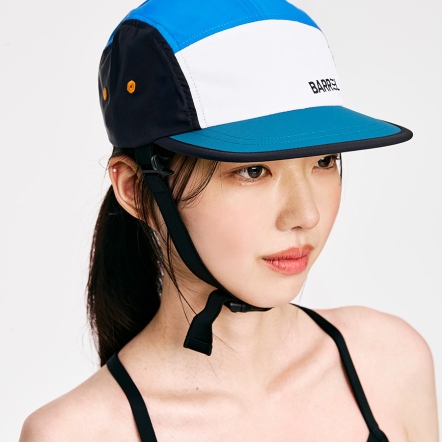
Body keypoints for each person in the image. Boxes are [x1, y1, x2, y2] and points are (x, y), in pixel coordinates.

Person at [20, 0, 438, 440]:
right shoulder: (78, 433)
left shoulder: (390, 363)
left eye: (324, 161)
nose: (305, 214)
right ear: (135, 189)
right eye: (253, 170)